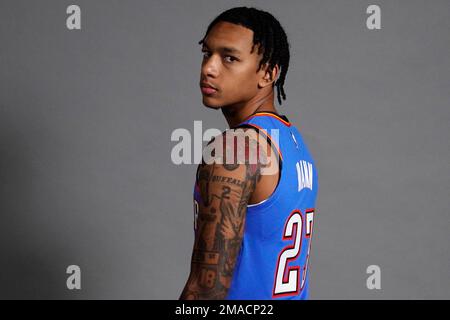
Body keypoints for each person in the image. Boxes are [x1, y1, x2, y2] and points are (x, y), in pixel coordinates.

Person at [179, 6, 319, 300]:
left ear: (268, 73)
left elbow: (206, 290)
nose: (209, 68)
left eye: (229, 58)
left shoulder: (234, 151)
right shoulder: (292, 142)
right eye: (208, 53)